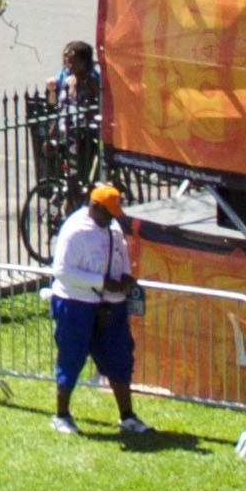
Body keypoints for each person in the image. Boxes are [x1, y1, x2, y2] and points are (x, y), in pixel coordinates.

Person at [44, 184, 142, 435]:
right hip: (76, 304)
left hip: (111, 304)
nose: (111, 218)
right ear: (94, 206)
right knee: (72, 357)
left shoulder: (113, 227)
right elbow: (62, 272)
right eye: (107, 213)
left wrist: (126, 277)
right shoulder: (75, 231)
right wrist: (100, 282)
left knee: (119, 357)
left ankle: (127, 415)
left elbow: (120, 255)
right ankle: (62, 415)